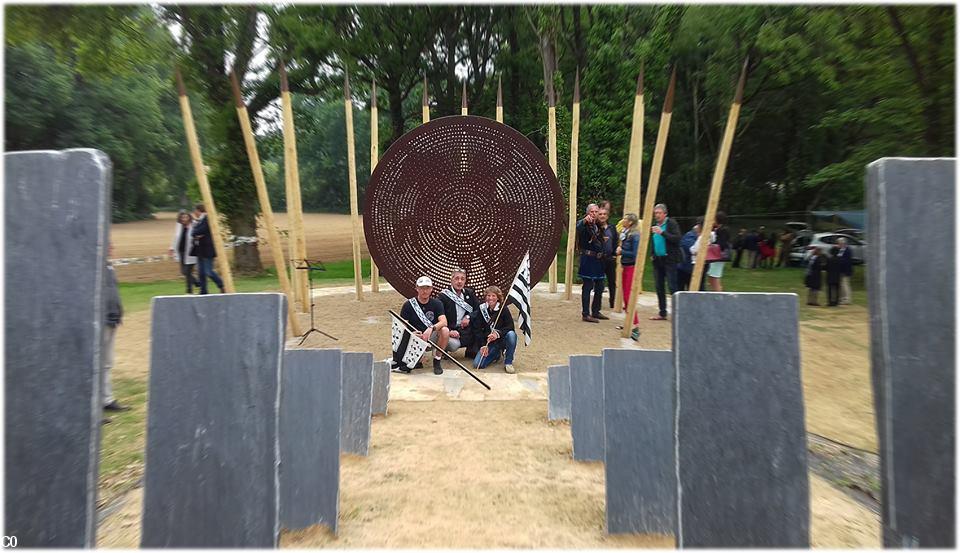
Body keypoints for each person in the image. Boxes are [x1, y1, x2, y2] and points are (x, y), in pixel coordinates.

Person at [395, 275, 449, 374]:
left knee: (445, 330)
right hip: (416, 338)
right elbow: (402, 325)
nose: (425, 291)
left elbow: (444, 321)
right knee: (410, 367)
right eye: (422, 288)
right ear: (417, 289)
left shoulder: (437, 303)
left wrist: (431, 328)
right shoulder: (408, 305)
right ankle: (417, 359)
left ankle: (437, 360)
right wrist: (411, 334)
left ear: (431, 289)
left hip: (431, 336)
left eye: (427, 288)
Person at [102, 244, 130, 422]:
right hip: (101, 321)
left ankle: (106, 399)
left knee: (106, 363)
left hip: (111, 319)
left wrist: (118, 312)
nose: (111, 247)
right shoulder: (94, 267)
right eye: (108, 245)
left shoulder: (108, 266)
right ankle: (93, 406)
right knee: (96, 365)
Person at [471, 286, 518, 373]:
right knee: (478, 364)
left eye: (493, 296)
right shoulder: (482, 309)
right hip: (489, 342)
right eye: (488, 296)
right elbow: (477, 329)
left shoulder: (503, 309)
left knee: (512, 335)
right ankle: (496, 354)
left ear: (498, 298)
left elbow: (510, 327)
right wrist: (482, 345)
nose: (491, 298)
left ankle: (508, 362)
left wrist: (497, 334)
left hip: (502, 339)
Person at [649, 203, 681, 321]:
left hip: (670, 260)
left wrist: (662, 232)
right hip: (658, 260)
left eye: (659, 213)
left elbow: (677, 238)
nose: (656, 215)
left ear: (665, 214)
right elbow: (654, 241)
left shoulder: (671, 223)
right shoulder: (655, 225)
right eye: (655, 213)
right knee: (659, 286)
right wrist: (652, 254)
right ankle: (662, 312)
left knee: (672, 286)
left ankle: (678, 313)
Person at [438, 268, 480, 358]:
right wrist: (449, 331)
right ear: (451, 280)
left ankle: (471, 350)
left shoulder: (469, 293)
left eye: (462, 279)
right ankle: (442, 348)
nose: (459, 281)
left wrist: (468, 317)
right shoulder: (443, 296)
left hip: (464, 328)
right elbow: (439, 316)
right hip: (450, 328)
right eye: (457, 278)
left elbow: (478, 309)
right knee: (454, 345)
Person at [576, 203, 606, 322]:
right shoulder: (584, 224)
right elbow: (577, 227)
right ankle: (585, 314)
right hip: (588, 259)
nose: (594, 214)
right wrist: (584, 221)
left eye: (596, 212)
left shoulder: (598, 225)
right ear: (588, 213)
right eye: (592, 212)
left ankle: (596, 311)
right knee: (588, 286)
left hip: (598, 260)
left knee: (600, 285)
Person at [616, 213, 640, 340]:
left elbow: (635, 253)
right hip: (625, 266)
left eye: (625, 218)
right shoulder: (627, 232)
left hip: (631, 267)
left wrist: (622, 251)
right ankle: (629, 321)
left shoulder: (635, 235)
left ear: (630, 222)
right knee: (625, 296)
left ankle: (635, 326)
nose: (622, 220)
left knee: (628, 296)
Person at [191, 203, 225, 295]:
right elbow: (194, 232)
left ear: (198, 210)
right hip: (200, 250)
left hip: (207, 249)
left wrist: (196, 233)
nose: (194, 213)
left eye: (195, 211)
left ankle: (221, 284)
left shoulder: (207, 219)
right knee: (201, 272)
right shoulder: (199, 220)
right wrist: (196, 233)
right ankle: (203, 291)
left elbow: (199, 231)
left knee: (208, 271)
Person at [168, 210, 198, 294]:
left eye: (186, 217)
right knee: (184, 272)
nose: (184, 219)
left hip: (191, 252)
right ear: (180, 218)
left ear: (189, 217)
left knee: (187, 271)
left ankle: (189, 291)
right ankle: (196, 283)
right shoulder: (179, 226)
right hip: (181, 251)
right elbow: (175, 237)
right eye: (182, 217)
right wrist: (171, 248)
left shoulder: (194, 225)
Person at [598, 206, 619, 310]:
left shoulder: (612, 228)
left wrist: (615, 254)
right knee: (599, 282)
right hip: (599, 259)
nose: (602, 216)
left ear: (607, 216)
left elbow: (615, 241)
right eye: (600, 214)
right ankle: (598, 303)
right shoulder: (595, 228)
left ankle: (612, 302)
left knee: (612, 281)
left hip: (610, 258)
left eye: (604, 214)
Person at [705, 212, 730, 291]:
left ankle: (719, 295)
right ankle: (715, 293)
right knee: (711, 278)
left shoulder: (723, 230)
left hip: (718, 257)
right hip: (715, 256)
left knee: (714, 277)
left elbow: (722, 244)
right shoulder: (718, 229)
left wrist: (712, 245)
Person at [677, 222, 699, 291]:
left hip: (691, 267)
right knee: (682, 289)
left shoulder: (697, 237)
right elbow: (693, 250)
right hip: (686, 267)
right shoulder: (690, 237)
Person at [837, 237, 854, 305]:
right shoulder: (840, 250)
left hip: (846, 270)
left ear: (843, 243)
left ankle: (847, 299)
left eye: (839, 243)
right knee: (841, 285)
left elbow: (847, 261)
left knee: (845, 285)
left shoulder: (848, 250)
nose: (839, 245)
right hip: (840, 270)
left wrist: (840, 260)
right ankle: (842, 298)